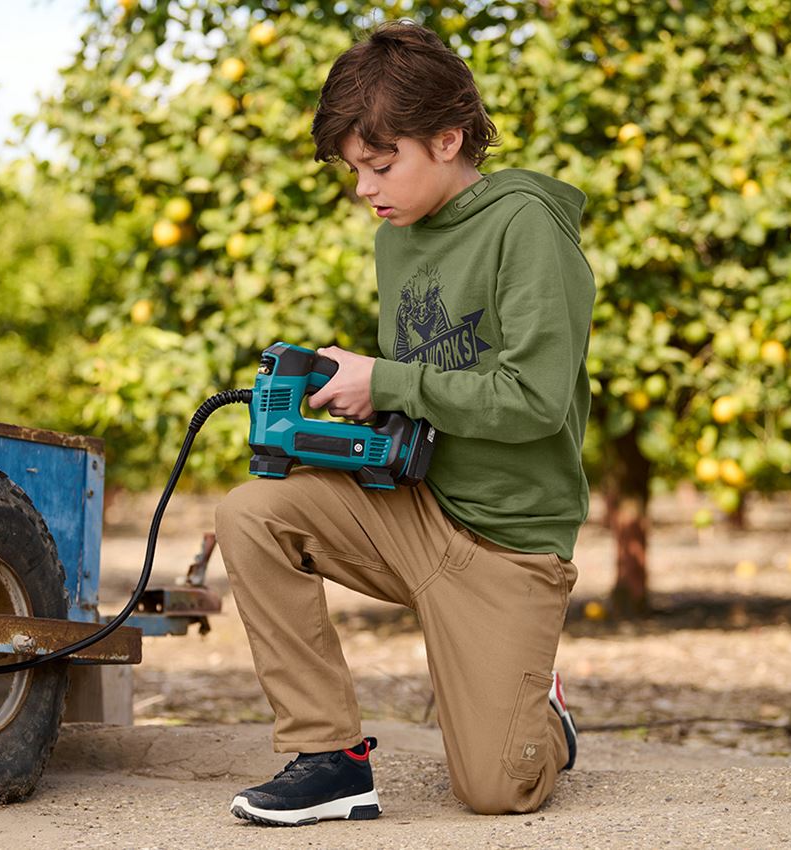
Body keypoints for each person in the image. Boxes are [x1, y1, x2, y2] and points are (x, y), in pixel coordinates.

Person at [215, 19, 595, 826]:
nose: (366, 189)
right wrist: (358, 391)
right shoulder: (399, 240)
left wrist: (387, 376)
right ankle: (331, 761)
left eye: (381, 165)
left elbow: (535, 400)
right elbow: (422, 393)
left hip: (507, 546)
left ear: (450, 138)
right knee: (253, 513)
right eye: (356, 170)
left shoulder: (525, 226)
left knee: (499, 790)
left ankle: (543, 715)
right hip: (414, 509)